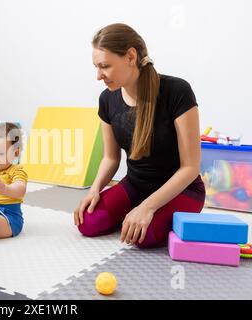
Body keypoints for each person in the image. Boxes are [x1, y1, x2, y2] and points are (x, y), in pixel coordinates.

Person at [74, 23, 205, 248]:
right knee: (88, 222)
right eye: (96, 67)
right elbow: (111, 158)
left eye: (105, 66)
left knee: (145, 236)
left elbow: (190, 167)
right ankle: (132, 215)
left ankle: (142, 214)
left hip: (182, 190)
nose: (98, 76)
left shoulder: (177, 91)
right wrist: (94, 190)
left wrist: (148, 207)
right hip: (135, 185)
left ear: (131, 56)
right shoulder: (107, 99)